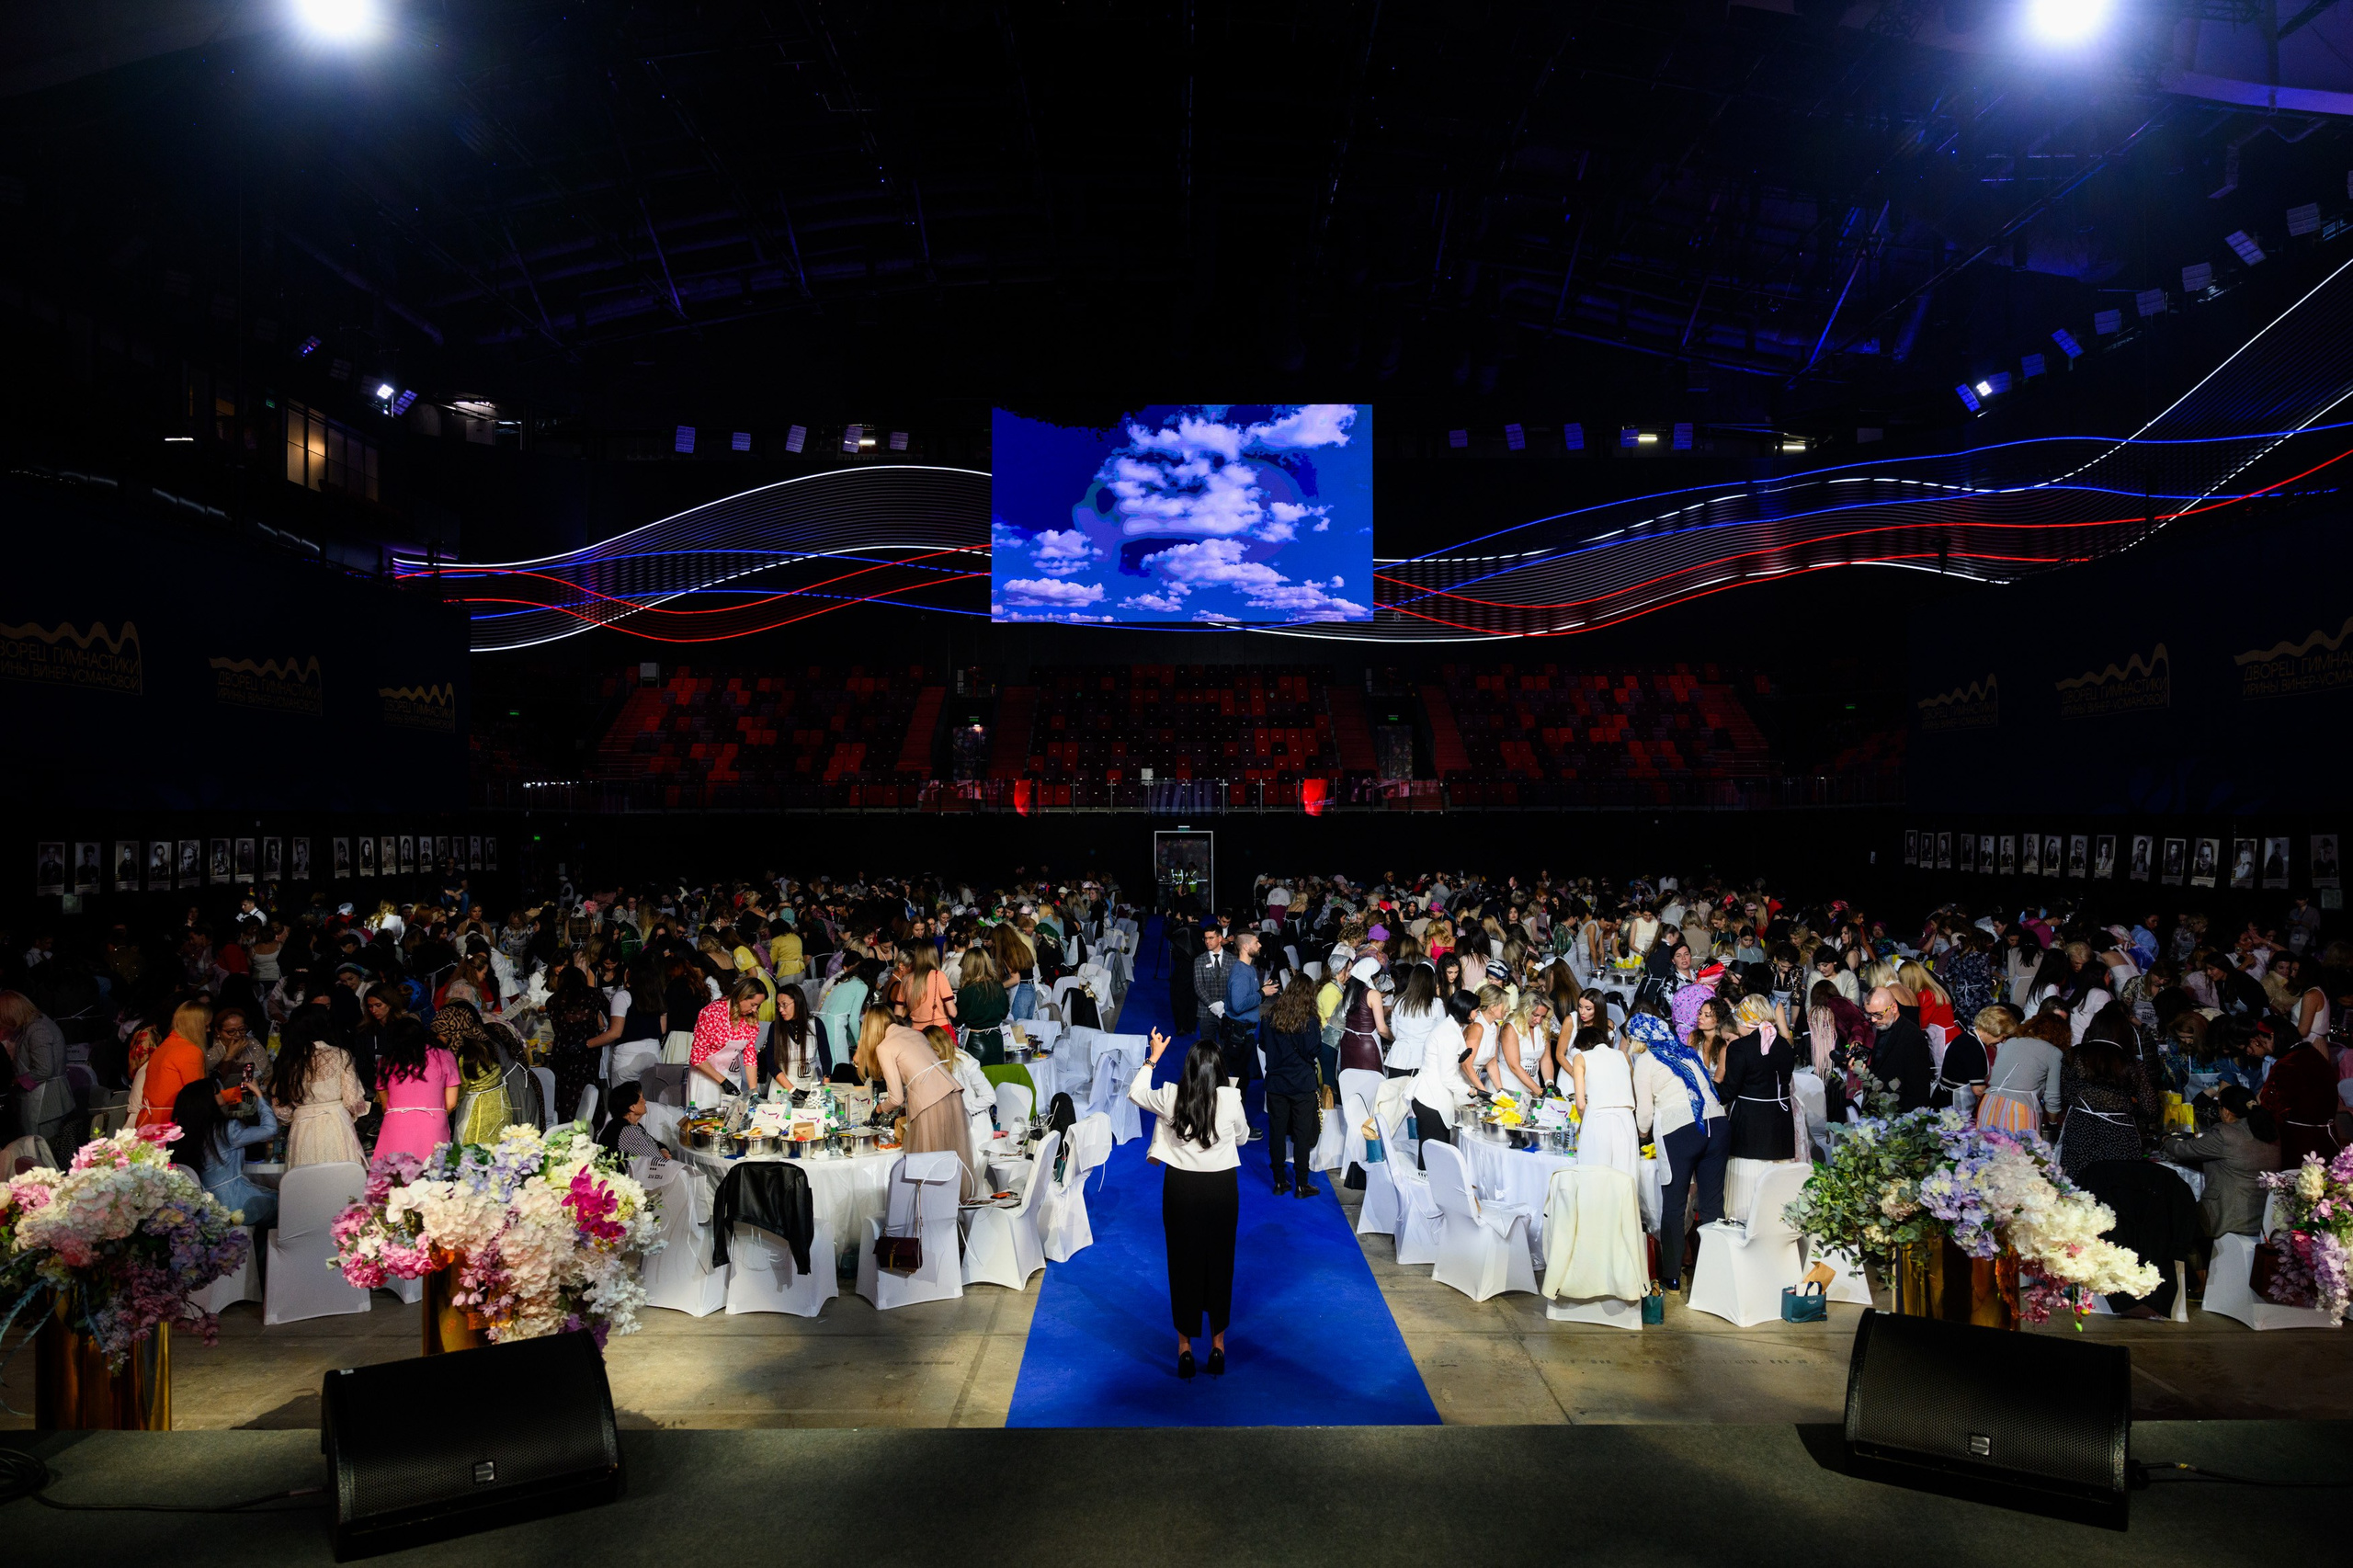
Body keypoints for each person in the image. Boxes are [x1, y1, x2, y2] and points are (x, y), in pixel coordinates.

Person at [1129, 1028, 1250, 1380]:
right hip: (1222, 1190)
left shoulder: (1171, 1096)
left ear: (1190, 1069)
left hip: (1181, 1190)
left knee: (1183, 1265)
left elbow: (1135, 1093)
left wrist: (1153, 1057)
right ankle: (1218, 1346)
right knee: (1220, 1264)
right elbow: (1241, 1138)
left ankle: (1184, 1349)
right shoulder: (1231, 1099)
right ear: (1219, 1070)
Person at [1626, 1008, 1723, 1292]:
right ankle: (1714, 1271)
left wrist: (1642, 1134)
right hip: (1716, 1124)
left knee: (1674, 1204)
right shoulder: (1686, 1051)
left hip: (1680, 1130)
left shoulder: (1646, 1060)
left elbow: (1644, 1112)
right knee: (1712, 1206)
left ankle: (1671, 1277)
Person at [862, 1006, 976, 1198]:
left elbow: (896, 1098)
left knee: (928, 1167)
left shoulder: (885, 1047)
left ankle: (931, 1215)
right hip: (952, 1094)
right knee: (950, 1157)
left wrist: (879, 1109)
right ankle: (955, 1208)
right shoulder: (913, 1033)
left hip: (929, 1103)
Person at [1713, 994, 1797, 1224]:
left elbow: (1727, 1092)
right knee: (1775, 1198)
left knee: (1745, 1195)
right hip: (1780, 1125)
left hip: (1750, 1126)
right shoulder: (1784, 1045)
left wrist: (1705, 1085)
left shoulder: (1740, 1048)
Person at [2160, 1085, 2280, 1243]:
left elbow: (2183, 1149)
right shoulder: (2270, 1132)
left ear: (2226, 1111)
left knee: (2174, 1223)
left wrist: (2166, 1139)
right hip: (2264, 1218)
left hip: (2228, 1218)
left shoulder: (2225, 1134)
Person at [170, 1068, 280, 1228]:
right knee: (288, 1203)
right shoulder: (226, 1130)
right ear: (208, 1100)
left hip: (208, 1210)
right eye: (217, 1091)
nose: (222, 1092)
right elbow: (270, 1129)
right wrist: (259, 1095)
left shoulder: (184, 1134)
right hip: (238, 1203)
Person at [267, 1009, 368, 1167]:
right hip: (336, 1125)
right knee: (341, 1181)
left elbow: (282, 1111)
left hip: (302, 1129)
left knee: (307, 1183)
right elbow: (352, 1101)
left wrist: (301, 1114)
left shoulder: (286, 1060)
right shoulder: (340, 1055)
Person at [1262, 974, 1324, 1198]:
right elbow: (1314, 1052)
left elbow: (1263, 1044)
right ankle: (1301, 1184)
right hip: (1302, 1085)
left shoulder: (1270, 1017)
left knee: (1277, 1132)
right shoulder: (1309, 1021)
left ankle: (1279, 1181)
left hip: (1276, 1084)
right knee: (1301, 1132)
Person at [372, 1015, 460, 1165]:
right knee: (433, 1179)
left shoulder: (386, 1061)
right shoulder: (445, 1056)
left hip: (397, 1123)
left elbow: (385, 1105)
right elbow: (451, 1103)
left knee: (396, 1178)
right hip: (433, 1122)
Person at [1568, 1004, 1638, 1183]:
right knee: (1625, 1179)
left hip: (1598, 1118)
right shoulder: (1623, 1056)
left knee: (1595, 1180)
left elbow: (1581, 1103)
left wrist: (1585, 1122)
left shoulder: (1581, 1058)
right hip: (1626, 1119)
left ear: (1583, 1046)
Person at [438, 1003, 512, 1145]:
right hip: (499, 1104)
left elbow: (455, 1097)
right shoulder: (483, 1044)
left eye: (440, 1031)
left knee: (474, 1154)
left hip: (479, 1111)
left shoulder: (464, 1057)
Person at [689, 978, 766, 1108]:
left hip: (731, 1076)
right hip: (706, 1079)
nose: (755, 1010)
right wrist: (724, 1082)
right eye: (753, 1004)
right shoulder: (713, 1012)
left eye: (758, 1006)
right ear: (742, 996)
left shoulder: (750, 1019)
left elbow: (750, 1057)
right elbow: (697, 1057)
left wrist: (754, 1093)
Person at [136, 997, 211, 1130]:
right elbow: (198, 1098)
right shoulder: (189, 1051)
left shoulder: (167, 1045)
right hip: (170, 1125)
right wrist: (237, 1094)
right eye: (206, 1026)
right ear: (196, 1026)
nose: (209, 1030)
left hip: (150, 1122)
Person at [1865, 985, 1934, 1112]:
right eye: (1869, 1015)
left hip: (1900, 1114)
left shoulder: (1913, 1037)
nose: (1874, 1020)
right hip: (1880, 1109)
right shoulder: (1884, 1026)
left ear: (1894, 1008)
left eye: (1878, 1014)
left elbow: (1918, 1088)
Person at [955, 947, 1010, 1065]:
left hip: (975, 1041)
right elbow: (1005, 1012)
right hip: (997, 1040)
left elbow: (959, 1018)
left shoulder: (967, 991)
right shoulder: (998, 986)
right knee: (996, 1080)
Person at [596, 1080, 669, 1162]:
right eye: (642, 1099)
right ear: (632, 1107)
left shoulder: (628, 1125)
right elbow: (659, 1161)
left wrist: (663, 1149)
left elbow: (654, 1143)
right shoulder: (627, 1131)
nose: (645, 1102)